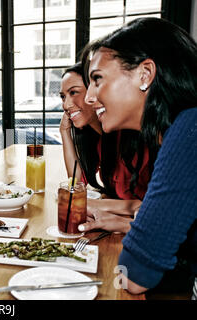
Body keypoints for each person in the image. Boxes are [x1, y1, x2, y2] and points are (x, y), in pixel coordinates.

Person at [82, 17, 197, 297]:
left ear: (145, 74)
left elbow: (133, 277)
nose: (88, 97)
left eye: (97, 79)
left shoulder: (189, 130)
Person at [59, 62, 151, 233]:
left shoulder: (132, 137)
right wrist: (64, 132)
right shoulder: (98, 139)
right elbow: (77, 185)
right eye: (63, 97)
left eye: (74, 92)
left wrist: (97, 204)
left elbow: (152, 205)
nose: (66, 105)